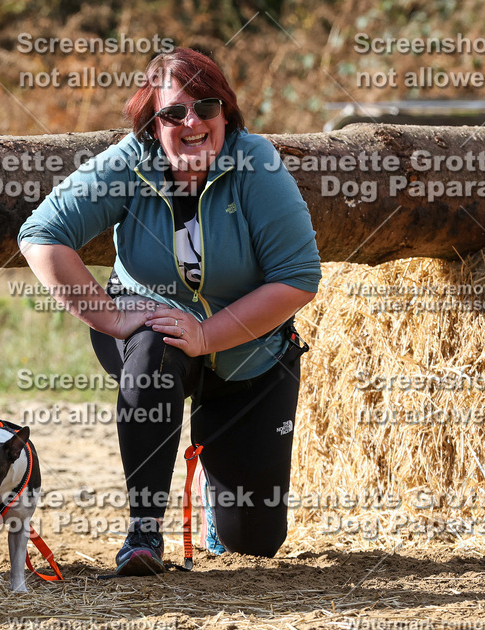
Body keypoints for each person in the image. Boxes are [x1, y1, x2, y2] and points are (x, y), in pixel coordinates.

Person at [17, 47, 321, 575]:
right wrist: (110, 318)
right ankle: (143, 533)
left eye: (206, 107)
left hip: (247, 352)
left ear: (226, 112)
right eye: (173, 112)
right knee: (155, 347)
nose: (192, 122)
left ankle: (214, 492)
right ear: (152, 123)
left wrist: (206, 335)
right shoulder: (128, 164)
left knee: (254, 542)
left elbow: (298, 277)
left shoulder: (258, 165)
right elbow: (41, 234)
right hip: (147, 328)